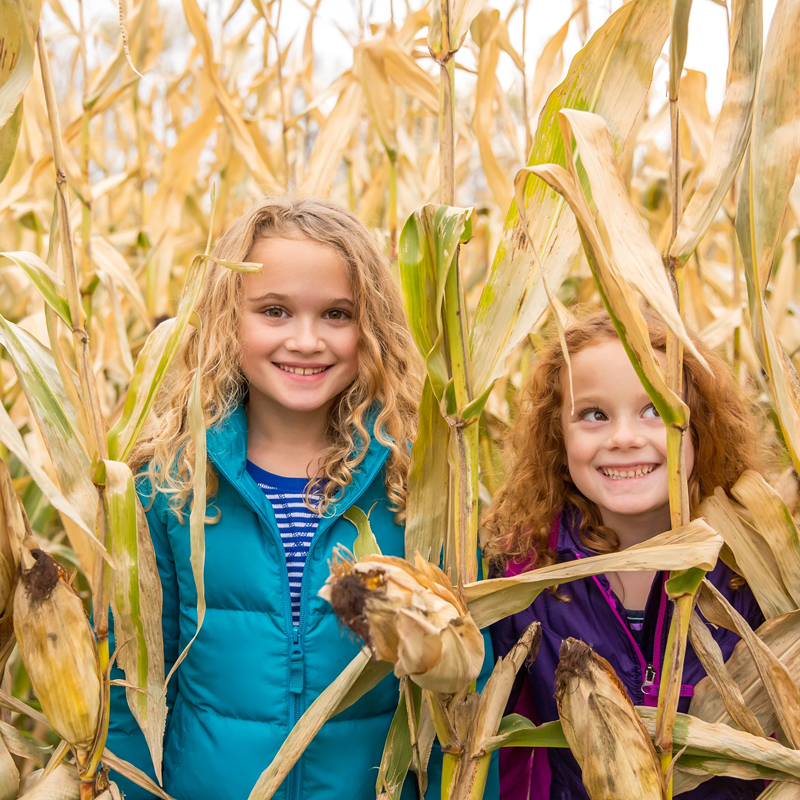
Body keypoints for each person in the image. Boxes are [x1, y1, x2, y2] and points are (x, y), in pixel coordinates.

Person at [105, 197, 495, 800]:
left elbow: (465, 690)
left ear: (372, 328)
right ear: (226, 320)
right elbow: (130, 683)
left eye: (337, 314)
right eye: (275, 311)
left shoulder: (418, 486)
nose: (306, 340)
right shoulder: (170, 487)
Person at [485, 310, 770, 800]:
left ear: (700, 427)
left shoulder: (754, 573)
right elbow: (501, 750)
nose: (623, 438)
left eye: (655, 409)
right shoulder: (523, 572)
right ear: (558, 436)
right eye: (593, 415)